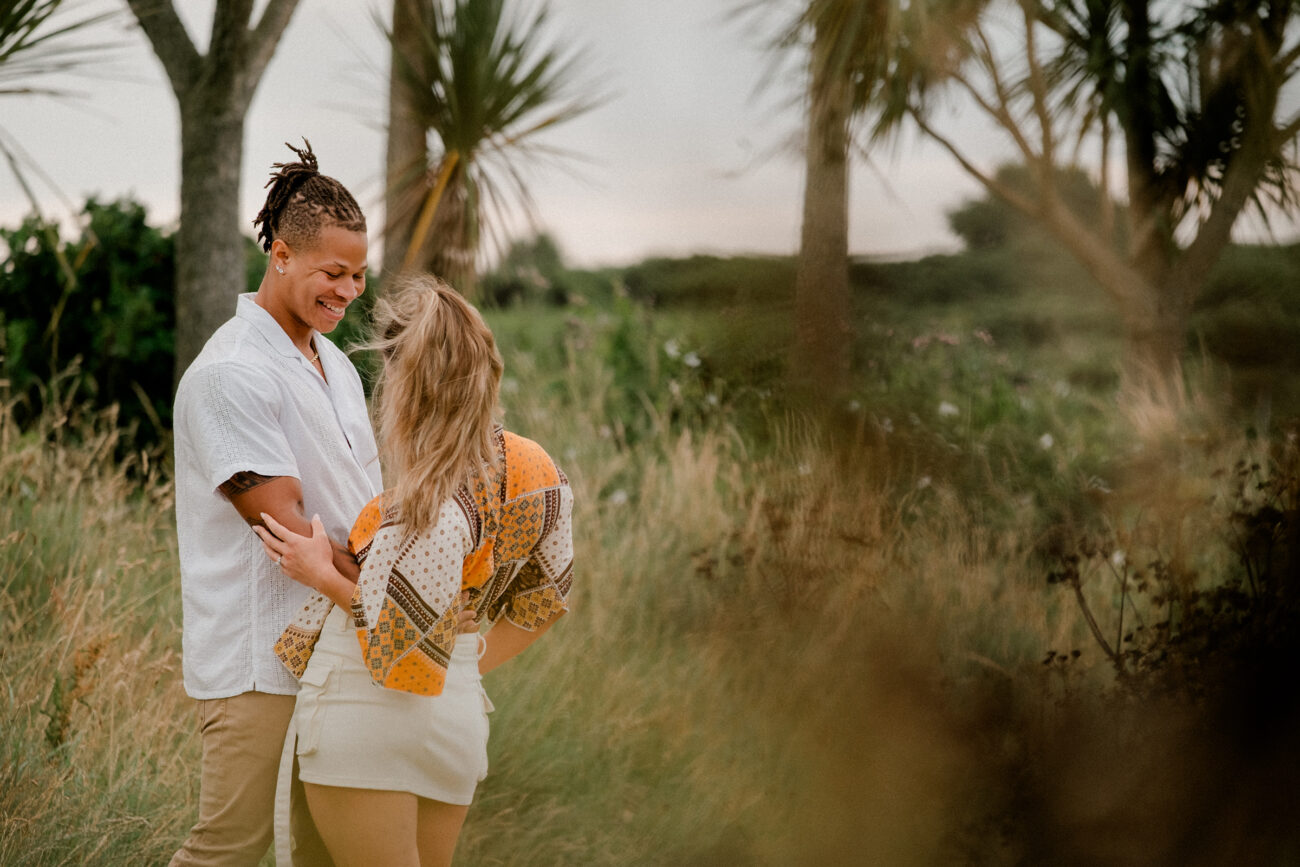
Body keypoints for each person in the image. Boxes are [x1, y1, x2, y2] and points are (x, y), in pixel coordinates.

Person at [252, 275, 575, 867]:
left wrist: (319, 572)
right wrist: (458, 660)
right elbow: (544, 603)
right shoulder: (537, 471)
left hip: (367, 712)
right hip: (454, 717)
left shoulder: (423, 506)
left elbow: (397, 646)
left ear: (406, 381)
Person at [170, 139, 382, 866]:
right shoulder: (230, 373)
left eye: (359, 273)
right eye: (333, 272)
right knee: (230, 848)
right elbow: (291, 534)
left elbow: (368, 508)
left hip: (344, 646)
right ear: (282, 254)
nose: (349, 290)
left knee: (329, 848)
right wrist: (400, 588)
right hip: (259, 661)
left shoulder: (339, 370)